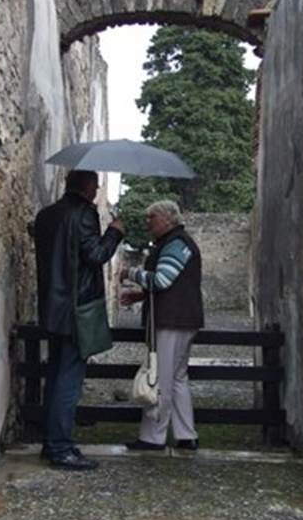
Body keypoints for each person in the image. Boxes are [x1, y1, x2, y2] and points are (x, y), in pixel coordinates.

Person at [33, 170, 124, 470]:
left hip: (52, 308)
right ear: (87, 188)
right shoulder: (84, 215)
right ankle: (60, 448)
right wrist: (115, 232)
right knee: (68, 381)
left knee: (56, 375)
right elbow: (95, 255)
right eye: (96, 186)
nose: (97, 192)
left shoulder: (46, 215)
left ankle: (51, 442)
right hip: (76, 311)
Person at [120, 200, 204, 451]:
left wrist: (131, 273)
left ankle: (153, 437)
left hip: (171, 320)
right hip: (183, 318)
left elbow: (163, 280)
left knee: (161, 380)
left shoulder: (175, 244)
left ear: (168, 219)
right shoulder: (178, 242)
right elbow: (173, 284)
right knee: (178, 379)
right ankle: (186, 434)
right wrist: (141, 296)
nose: (148, 222)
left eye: (152, 218)